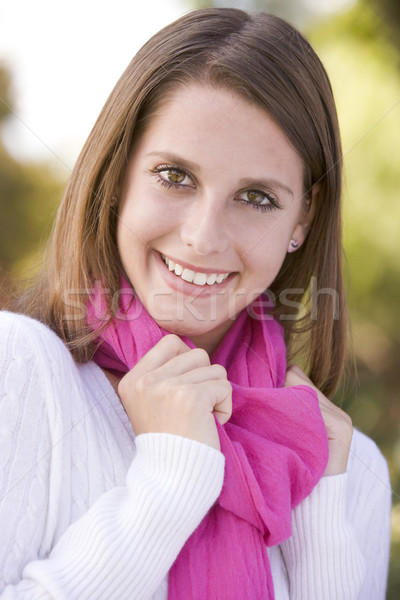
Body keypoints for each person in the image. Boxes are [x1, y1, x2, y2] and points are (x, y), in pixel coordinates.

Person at [0, 7, 391, 600]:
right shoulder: (19, 371)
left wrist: (319, 530)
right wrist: (168, 483)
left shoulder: (348, 469)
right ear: (119, 177)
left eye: (256, 197)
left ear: (302, 218)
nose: (204, 237)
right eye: (174, 176)